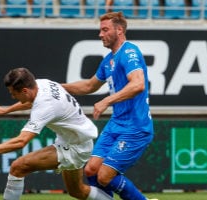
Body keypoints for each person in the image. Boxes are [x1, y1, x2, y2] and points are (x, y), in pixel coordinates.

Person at [0, 67, 113, 200]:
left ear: (25, 90)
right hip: (78, 141)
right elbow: (29, 101)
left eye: (14, 94)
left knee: (18, 167)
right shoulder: (42, 83)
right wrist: (6, 110)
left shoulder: (45, 107)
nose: (13, 97)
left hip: (75, 148)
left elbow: (21, 142)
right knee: (77, 191)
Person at [61, 12, 154, 200]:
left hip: (136, 127)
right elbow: (89, 86)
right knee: (91, 170)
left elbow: (138, 84)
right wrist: (57, 87)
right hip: (116, 124)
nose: (100, 35)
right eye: (100, 30)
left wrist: (106, 101)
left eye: (105, 30)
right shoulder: (108, 60)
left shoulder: (129, 52)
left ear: (119, 30)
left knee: (104, 176)